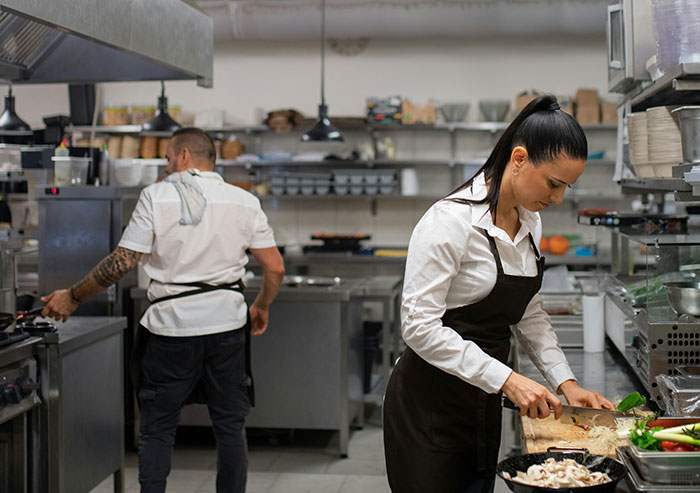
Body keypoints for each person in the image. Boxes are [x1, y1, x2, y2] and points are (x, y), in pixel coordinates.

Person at [383, 95, 615, 493]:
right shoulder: (449, 222)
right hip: (429, 408)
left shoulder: (530, 222)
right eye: (554, 184)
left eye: (567, 188)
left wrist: (566, 383)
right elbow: (419, 328)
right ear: (520, 158)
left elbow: (527, 312)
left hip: (482, 403)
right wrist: (507, 379)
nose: (558, 199)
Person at [40, 127, 285, 493]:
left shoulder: (157, 196)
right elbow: (275, 268)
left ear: (184, 156)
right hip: (227, 328)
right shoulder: (244, 201)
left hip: (170, 330)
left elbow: (122, 262)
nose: (167, 167)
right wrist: (261, 305)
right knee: (230, 428)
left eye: (169, 159)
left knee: (157, 430)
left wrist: (73, 296)